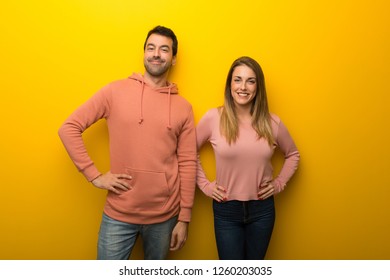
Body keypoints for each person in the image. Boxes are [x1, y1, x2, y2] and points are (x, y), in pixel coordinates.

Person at [58, 26, 197, 260]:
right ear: (143, 53)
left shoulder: (183, 107)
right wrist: (94, 175)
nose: (156, 54)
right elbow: (69, 128)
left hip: (164, 217)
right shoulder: (115, 91)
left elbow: (188, 162)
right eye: (151, 48)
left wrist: (184, 217)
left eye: (164, 50)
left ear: (173, 59)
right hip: (119, 214)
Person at [196, 56, 300, 260]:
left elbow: (293, 155)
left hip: (263, 210)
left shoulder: (272, 122)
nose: (243, 87)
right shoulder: (213, 117)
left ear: (258, 87)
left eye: (250, 81)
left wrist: (279, 184)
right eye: (238, 79)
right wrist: (205, 186)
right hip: (226, 210)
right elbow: (187, 152)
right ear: (230, 84)